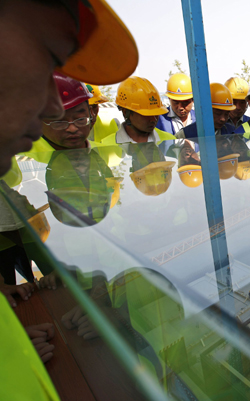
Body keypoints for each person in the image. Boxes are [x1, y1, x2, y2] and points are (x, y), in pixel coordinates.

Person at [0, 0, 138, 399]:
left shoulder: (106, 153)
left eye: (82, 116)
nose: (55, 109)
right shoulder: (26, 163)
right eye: (47, 60)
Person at [25, 72, 97, 157]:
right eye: (59, 123)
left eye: (80, 119)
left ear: (91, 113)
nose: (72, 129)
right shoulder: (19, 161)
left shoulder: (105, 152)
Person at [101, 77, 175, 145]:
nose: (154, 119)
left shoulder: (170, 140)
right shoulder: (105, 145)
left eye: (156, 114)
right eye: (147, 115)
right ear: (125, 112)